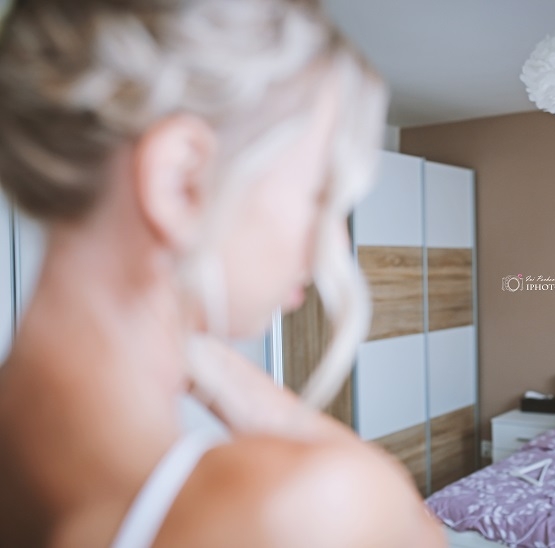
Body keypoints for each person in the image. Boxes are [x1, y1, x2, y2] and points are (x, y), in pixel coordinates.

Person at [0, 0, 446, 546]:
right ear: (181, 180)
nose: (336, 244)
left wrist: (189, 352)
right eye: (318, 194)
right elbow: (419, 531)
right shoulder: (300, 510)